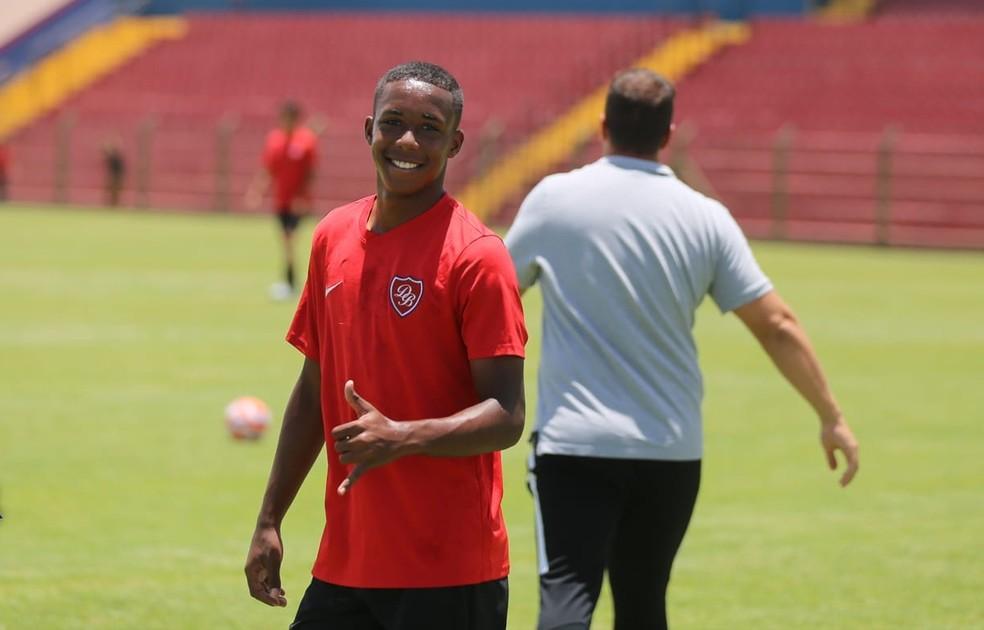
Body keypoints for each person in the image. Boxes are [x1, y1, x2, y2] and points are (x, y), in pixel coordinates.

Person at [504, 68, 860, 630]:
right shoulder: (706, 217)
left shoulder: (555, 199)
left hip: (576, 446)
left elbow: (495, 296)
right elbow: (778, 326)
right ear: (669, 135)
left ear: (602, 126)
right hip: (670, 451)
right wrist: (831, 416)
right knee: (645, 605)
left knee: (567, 602)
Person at [244, 61, 528, 630]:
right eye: (393, 122)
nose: (407, 141)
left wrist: (404, 436)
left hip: (449, 571)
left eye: (429, 128)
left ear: (455, 143)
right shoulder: (331, 236)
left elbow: (507, 414)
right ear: (368, 128)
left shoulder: (478, 256)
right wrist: (270, 517)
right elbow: (312, 389)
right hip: (346, 563)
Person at [246, 100, 319, 301]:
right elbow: (268, 169)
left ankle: (291, 283)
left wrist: (303, 198)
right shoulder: (275, 140)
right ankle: (291, 283)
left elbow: (310, 173)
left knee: (289, 241)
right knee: (286, 243)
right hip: (282, 201)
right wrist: (257, 191)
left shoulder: (306, 141)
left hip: (298, 203)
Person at [102, 140, 125, 207]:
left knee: (114, 192)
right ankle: (112, 204)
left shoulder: (114, 157)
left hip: (116, 176)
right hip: (115, 176)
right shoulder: (115, 157)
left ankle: (113, 204)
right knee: (112, 191)